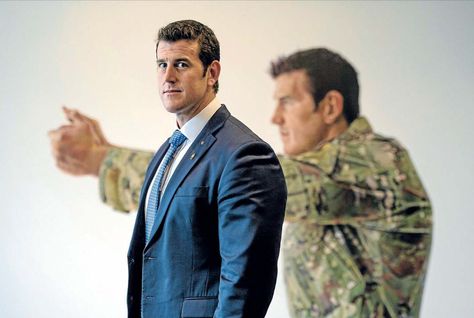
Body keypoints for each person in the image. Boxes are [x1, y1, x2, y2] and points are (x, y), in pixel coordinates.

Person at [49, 47, 432, 317]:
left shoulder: (375, 162)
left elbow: (231, 179)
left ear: (330, 106)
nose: (275, 118)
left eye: (287, 102)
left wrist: (104, 161)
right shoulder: (331, 177)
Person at [50, 19, 288, 318]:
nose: (168, 76)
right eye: (162, 64)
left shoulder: (245, 155)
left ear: (212, 72)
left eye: (182, 64)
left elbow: (245, 281)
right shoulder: (169, 150)